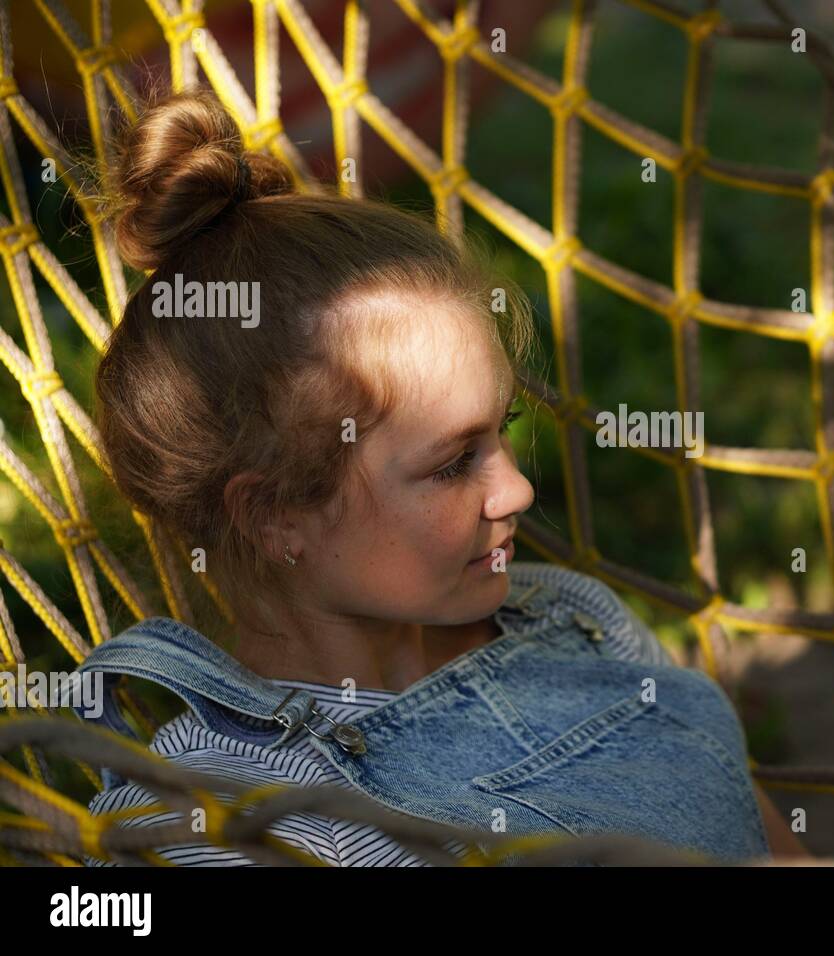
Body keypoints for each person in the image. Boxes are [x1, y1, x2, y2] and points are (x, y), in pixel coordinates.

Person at [75, 89, 794, 866]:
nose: (516, 491)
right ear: (274, 515)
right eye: (453, 463)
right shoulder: (224, 822)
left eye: (504, 431)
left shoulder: (576, 620)